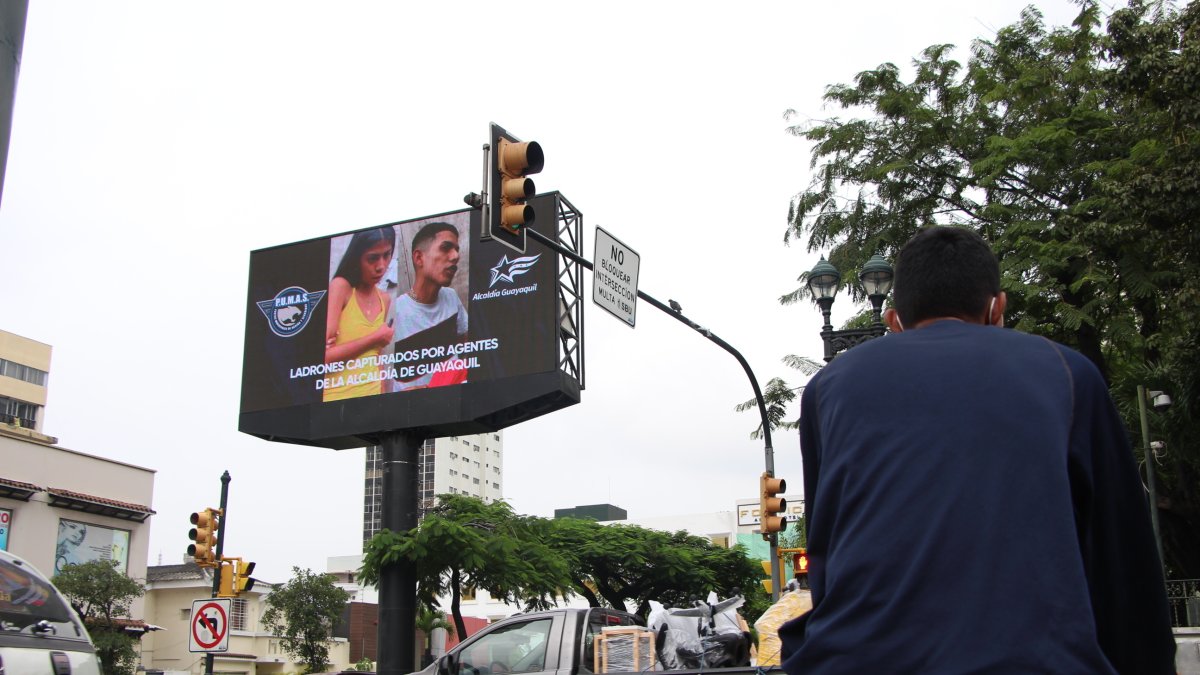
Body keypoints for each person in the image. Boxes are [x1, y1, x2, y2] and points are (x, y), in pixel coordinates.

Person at [779, 227, 1176, 673]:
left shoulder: (828, 387)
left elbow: (829, 548)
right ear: (997, 308)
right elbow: (1122, 561)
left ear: (893, 321)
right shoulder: (1067, 373)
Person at [392, 222, 468, 391]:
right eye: (446, 248)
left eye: (457, 249)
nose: (455, 256)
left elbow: (467, 345)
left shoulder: (451, 297)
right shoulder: (394, 313)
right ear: (419, 258)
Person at [323, 227, 395, 402]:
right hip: (336, 400)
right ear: (357, 258)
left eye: (387, 255)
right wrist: (374, 337)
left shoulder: (384, 299)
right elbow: (323, 359)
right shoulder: (341, 288)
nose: (381, 266)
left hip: (373, 400)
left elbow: (376, 357)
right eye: (373, 258)